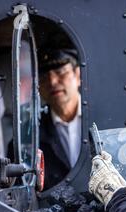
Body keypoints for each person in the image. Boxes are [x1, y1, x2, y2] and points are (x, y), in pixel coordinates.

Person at [38, 48, 82, 189]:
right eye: (44, 77)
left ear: (77, 75)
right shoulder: (30, 136)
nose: (52, 81)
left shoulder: (103, 120)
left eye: (60, 72)